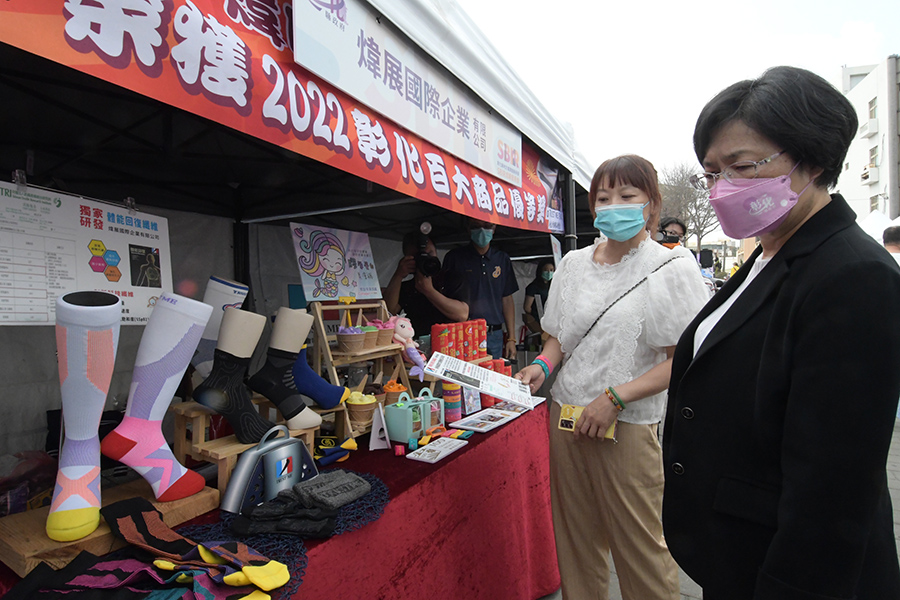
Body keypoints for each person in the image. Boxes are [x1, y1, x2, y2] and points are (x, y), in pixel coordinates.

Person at [663, 66, 900, 600]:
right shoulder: (769, 253)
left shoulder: (853, 274)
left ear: (811, 161)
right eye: (711, 173)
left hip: (789, 570)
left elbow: (833, 485)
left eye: (742, 167)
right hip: (738, 553)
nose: (722, 188)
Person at [515, 155, 709, 600]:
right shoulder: (573, 264)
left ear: (651, 204)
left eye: (627, 195)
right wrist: (541, 366)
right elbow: (559, 337)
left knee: (640, 548)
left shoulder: (670, 267)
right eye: (603, 198)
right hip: (566, 416)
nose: (613, 206)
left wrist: (616, 398)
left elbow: (684, 358)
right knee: (576, 541)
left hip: (627, 425)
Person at [443, 218, 518, 359]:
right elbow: (445, 297)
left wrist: (511, 339)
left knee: (492, 372)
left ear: (494, 229)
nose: (482, 230)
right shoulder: (454, 258)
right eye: (476, 226)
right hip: (463, 332)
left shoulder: (502, 259)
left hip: (494, 334)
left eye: (487, 226)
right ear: (468, 229)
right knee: (461, 372)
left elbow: (507, 299)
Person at [384, 231, 468, 336]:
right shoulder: (408, 287)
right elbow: (388, 312)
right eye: (418, 257)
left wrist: (428, 290)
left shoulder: (451, 278)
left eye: (430, 254)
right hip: (418, 341)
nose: (426, 259)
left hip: (448, 340)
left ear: (436, 252)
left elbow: (462, 314)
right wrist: (398, 275)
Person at [522, 257, 554, 338]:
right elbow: (527, 307)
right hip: (539, 320)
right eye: (546, 270)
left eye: (551, 270)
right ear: (540, 270)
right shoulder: (533, 287)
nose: (549, 273)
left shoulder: (553, 286)